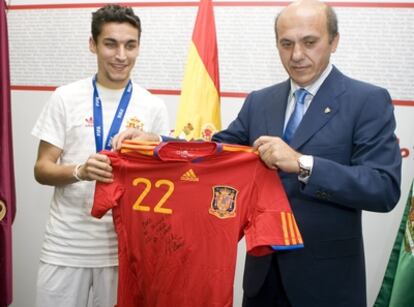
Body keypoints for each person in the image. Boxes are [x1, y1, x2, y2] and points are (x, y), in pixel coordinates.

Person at [113, 0, 402, 306]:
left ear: (334, 41)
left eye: (309, 42)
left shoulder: (367, 100)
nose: (297, 55)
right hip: (262, 279)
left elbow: (382, 187)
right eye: (286, 44)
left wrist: (303, 164)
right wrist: (157, 142)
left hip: (326, 283)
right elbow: (214, 154)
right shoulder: (260, 101)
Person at [31, 4, 169, 307]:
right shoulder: (65, 97)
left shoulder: (153, 107)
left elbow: (169, 173)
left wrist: (156, 141)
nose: (121, 55)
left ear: (138, 47)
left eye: (130, 45)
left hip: (123, 250)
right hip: (65, 247)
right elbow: (41, 169)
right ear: (93, 44)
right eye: (111, 43)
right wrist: (80, 170)